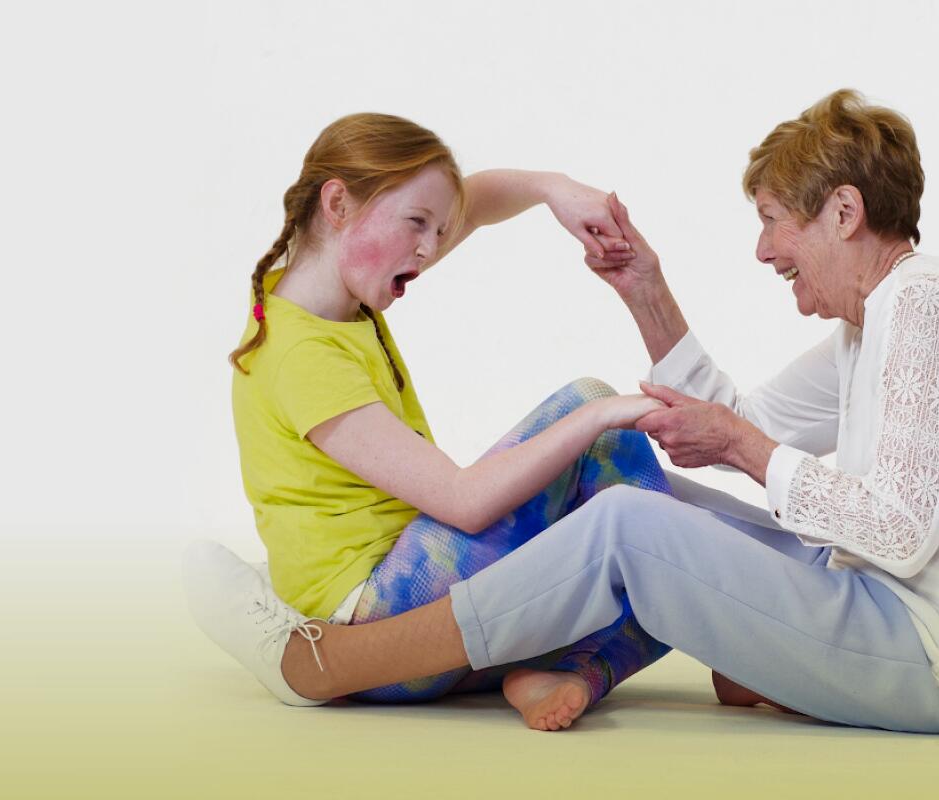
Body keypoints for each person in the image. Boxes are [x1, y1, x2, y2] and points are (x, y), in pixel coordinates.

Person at [188, 90, 939, 734]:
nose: (763, 249)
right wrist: (644, 290)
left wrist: (743, 450)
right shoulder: (874, 324)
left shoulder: (926, 310)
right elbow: (733, 417)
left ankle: (336, 663)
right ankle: (618, 660)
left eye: (772, 222)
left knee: (625, 531)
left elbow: (896, 530)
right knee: (649, 506)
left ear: (844, 212)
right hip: (892, 606)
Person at [187, 112, 672, 732]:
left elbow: (481, 197)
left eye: (437, 230)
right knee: (593, 415)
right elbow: (463, 502)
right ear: (337, 203)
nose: (429, 247)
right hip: (376, 618)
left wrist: (554, 187)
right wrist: (607, 411)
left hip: (424, 609)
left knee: (654, 531)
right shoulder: (302, 352)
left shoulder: (336, 296)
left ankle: (568, 674)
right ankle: (656, 638)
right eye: (417, 224)